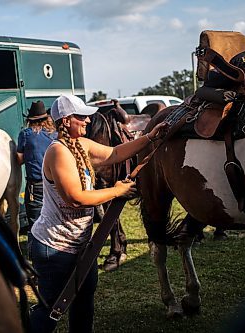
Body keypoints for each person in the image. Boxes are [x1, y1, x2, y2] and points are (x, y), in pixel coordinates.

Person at [28, 94, 168, 333]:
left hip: (80, 246)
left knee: (83, 301)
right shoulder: (58, 152)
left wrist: (149, 137)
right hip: (55, 247)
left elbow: (114, 154)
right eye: (81, 117)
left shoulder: (81, 145)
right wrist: (116, 191)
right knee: (51, 308)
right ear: (65, 121)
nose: (87, 121)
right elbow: (76, 198)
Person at [17, 100, 57, 237]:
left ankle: (37, 254)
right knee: (55, 219)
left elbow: (19, 160)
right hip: (55, 184)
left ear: (30, 120)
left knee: (35, 222)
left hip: (36, 185)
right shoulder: (55, 135)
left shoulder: (25, 134)